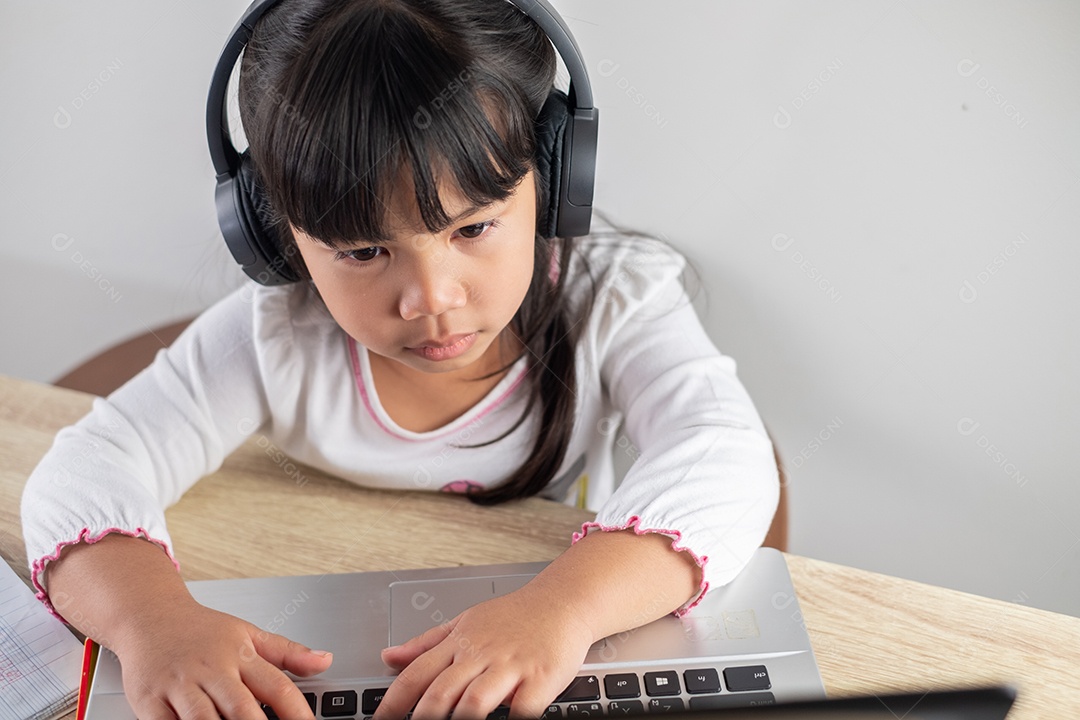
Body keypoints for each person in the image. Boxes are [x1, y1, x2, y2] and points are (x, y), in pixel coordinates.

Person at [20, 1, 780, 718]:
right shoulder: (274, 336)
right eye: (363, 251)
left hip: (552, 623)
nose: (430, 298)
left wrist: (566, 609)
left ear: (554, 179)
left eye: (472, 229)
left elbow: (726, 457)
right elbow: (89, 467)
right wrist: (152, 622)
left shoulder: (616, 301)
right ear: (275, 235)